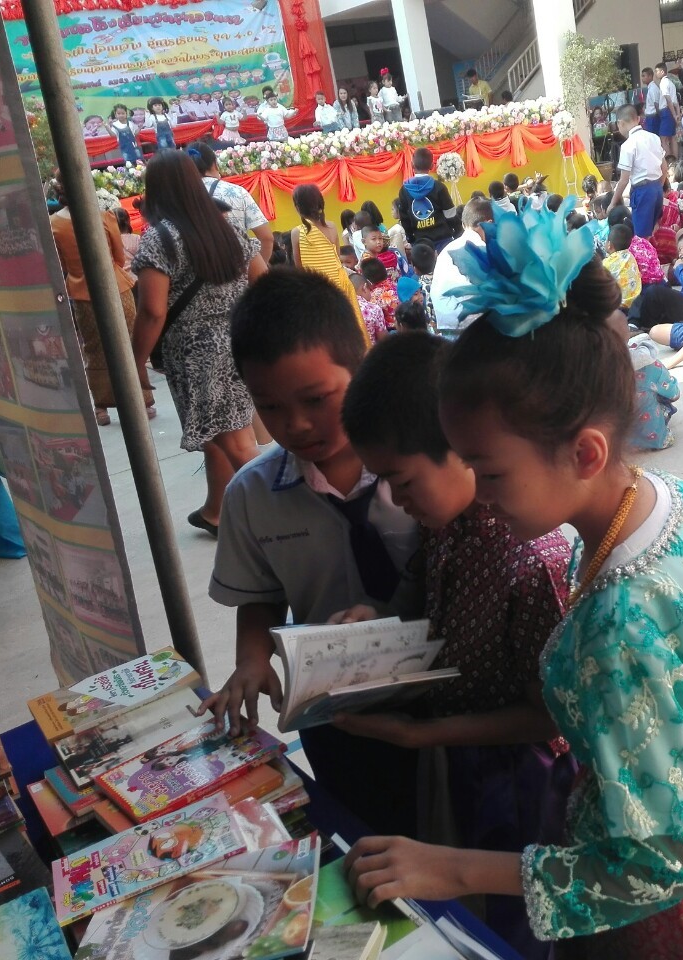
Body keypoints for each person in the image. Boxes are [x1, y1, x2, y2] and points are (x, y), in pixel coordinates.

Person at [345, 230, 683, 955]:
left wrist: (451, 867)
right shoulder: (671, 498)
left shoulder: (618, 627)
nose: (480, 495)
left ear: (584, 452)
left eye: (490, 472)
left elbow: (657, 863)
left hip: (680, 903)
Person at [336, 332, 575, 959]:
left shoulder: (530, 557)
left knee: (513, 923)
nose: (395, 499)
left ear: (461, 448)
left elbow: (547, 718)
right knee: (464, 907)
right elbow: (422, 594)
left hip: (522, 782)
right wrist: (377, 620)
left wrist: (422, 735)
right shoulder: (444, 523)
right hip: (458, 756)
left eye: (402, 481)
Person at [203, 269, 424, 837]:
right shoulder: (252, 496)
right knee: (359, 829)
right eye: (270, 406)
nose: (296, 424)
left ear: (361, 368)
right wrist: (253, 659)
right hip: (334, 708)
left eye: (316, 399)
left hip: (439, 695)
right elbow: (260, 596)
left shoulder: (427, 466)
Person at [130, 151, 264, 535]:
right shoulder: (226, 228)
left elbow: (152, 310)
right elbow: (263, 278)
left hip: (197, 355)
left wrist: (134, 360)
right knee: (226, 433)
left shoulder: (160, 238)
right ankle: (217, 510)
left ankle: (287, 513)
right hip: (238, 343)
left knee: (237, 444)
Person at [49, 182, 155, 426]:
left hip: (81, 291)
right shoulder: (103, 217)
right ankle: (143, 399)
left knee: (94, 348)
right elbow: (118, 256)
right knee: (130, 341)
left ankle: (101, 407)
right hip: (116, 287)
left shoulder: (54, 224)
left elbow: (61, 264)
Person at [290, 183, 367, 340]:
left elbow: (299, 267)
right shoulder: (331, 226)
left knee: (327, 335)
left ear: (298, 208)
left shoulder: (297, 233)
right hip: (340, 283)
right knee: (349, 329)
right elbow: (337, 256)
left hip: (317, 289)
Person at [189, 141, 274, 263]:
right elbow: (266, 238)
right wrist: (258, 269)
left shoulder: (179, 196)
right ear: (215, 164)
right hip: (237, 267)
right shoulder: (237, 192)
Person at [431, 198, 492, 332]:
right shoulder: (483, 250)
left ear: (464, 225)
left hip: (445, 323)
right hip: (472, 327)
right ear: (489, 224)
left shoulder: (447, 249)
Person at [610, 104, 667, 240]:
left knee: (641, 238)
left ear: (620, 123)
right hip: (657, 187)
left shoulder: (628, 145)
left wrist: (613, 202)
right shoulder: (654, 137)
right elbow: (664, 168)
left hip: (642, 191)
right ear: (638, 119)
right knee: (653, 231)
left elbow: (624, 180)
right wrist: (658, 186)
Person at [626, 326, 681, 451]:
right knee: (659, 397)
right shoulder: (649, 366)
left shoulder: (595, 367)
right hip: (652, 437)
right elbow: (673, 393)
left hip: (612, 441)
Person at [398, 147, 458, 251]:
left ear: (412, 165)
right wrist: (458, 232)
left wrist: (411, 239)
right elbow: (450, 214)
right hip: (444, 240)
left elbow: (404, 219)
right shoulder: (439, 187)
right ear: (431, 166)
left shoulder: (404, 190)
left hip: (421, 243)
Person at [603, 224, 643, 310]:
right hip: (637, 302)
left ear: (609, 244)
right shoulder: (630, 256)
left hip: (620, 306)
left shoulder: (607, 263)